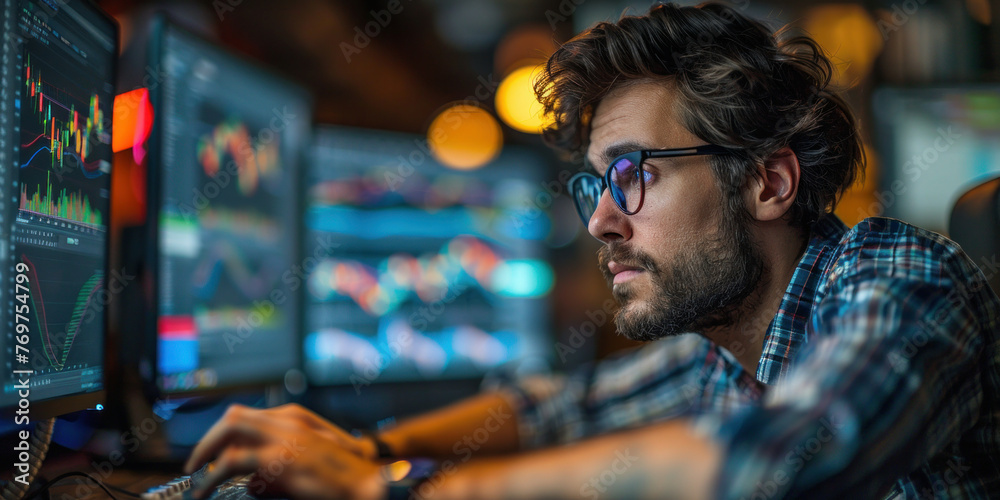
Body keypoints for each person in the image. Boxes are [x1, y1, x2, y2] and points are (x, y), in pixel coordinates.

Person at [183, 3, 1000, 499]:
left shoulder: (904, 275)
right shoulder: (725, 351)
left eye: (634, 175)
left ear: (769, 184)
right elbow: (555, 408)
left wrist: (394, 490)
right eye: (595, 186)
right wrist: (368, 450)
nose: (601, 221)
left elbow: (788, 460)